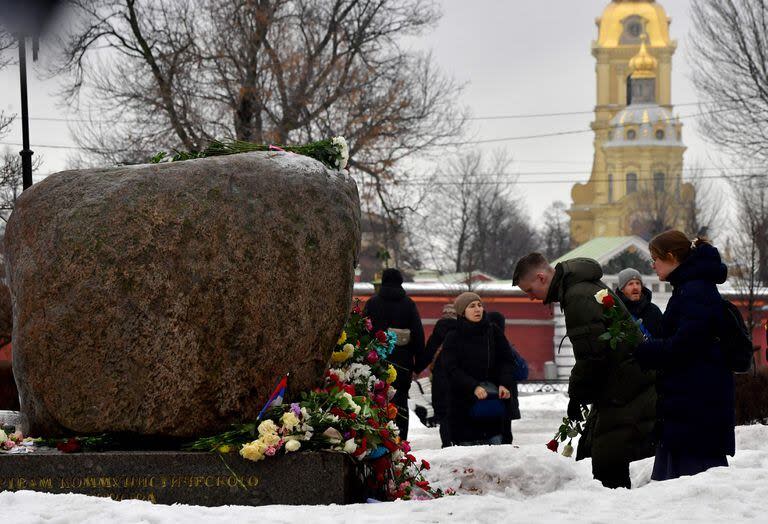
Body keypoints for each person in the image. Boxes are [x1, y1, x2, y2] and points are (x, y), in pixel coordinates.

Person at [513, 253, 656, 489]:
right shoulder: (581, 288)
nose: (530, 298)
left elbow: (593, 355)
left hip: (622, 388)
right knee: (606, 454)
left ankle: (617, 512)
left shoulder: (577, 297)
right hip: (623, 384)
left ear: (541, 277)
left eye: (529, 290)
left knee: (607, 462)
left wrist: (577, 394)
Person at [633, 231, 735, 481]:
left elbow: (685, 347)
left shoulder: (695, 291)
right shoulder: (689, 288)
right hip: (690, 407)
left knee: (693, 489)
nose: (652, 265)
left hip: (695, 409)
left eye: (655, 258)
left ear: (671, 257)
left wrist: (645, 350)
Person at [441, 292, 517, 446]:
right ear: (462, 312)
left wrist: (504, 382)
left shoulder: (493, 331)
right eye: (472, 306)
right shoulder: (453, 336)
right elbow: (451, 368)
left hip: (492, 403)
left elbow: (507, 360)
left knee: (496, 453)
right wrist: (473, 386)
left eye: (479, 305)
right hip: (463, 406)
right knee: (468, 458)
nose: (477, 309)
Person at [363, 268, 425, 441]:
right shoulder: (408, 304)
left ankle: (378, 439)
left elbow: (364, 330)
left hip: (377, 361)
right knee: (400, 403)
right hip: (403, 363)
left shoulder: (372, 303)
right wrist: (418, 364)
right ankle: (400, 442)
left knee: (377, 401)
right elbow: (419, 336)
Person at [423, 303, 458, 447]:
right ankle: (458, 442)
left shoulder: (437, 333)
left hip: (439, 379)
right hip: (456, 378)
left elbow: (426, 355)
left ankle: (446, 444)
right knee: (456, 412)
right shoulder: (462, 331)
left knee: (443, 414)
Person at [487, 311, 524, 444]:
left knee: (494, 432)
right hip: (508, 394)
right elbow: (522, 373)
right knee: (506, 432)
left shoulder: (486, 345)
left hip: (490, 395)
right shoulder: (508, 346)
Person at [616, 268, 664, 338]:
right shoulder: (616, 311)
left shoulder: (653, 310)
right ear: (622, 289)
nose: (635, 287)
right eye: (630, 284)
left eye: (638, 283)